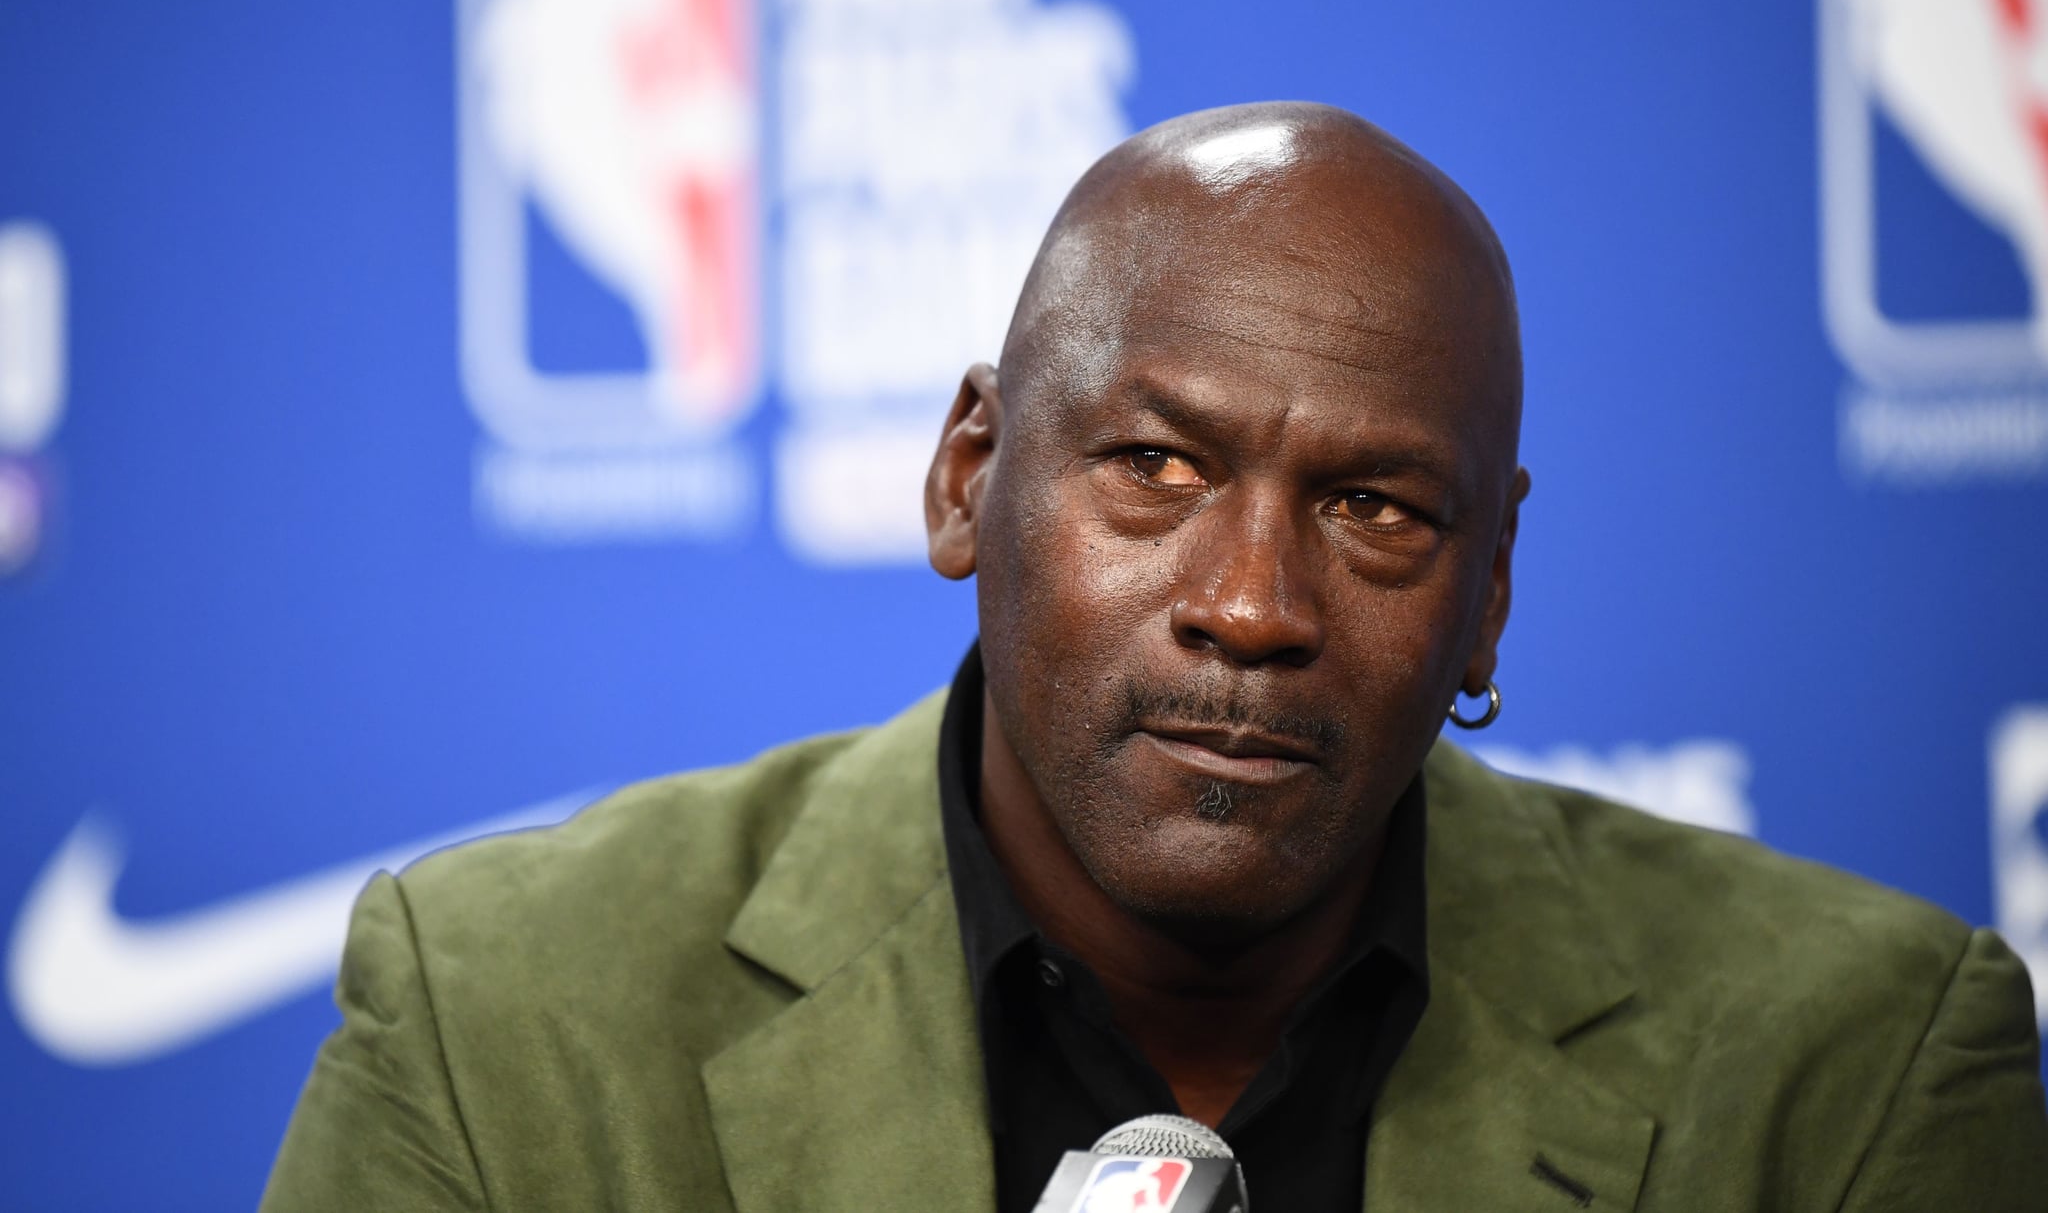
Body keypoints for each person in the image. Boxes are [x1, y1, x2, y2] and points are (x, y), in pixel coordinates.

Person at [261, 103, 2048, 1211]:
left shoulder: (1852, 1068)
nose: (1254, 605)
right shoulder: (505, 1020)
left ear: (1492, 588)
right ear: (973, 475)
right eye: (1157, 468)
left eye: (1375, 510)